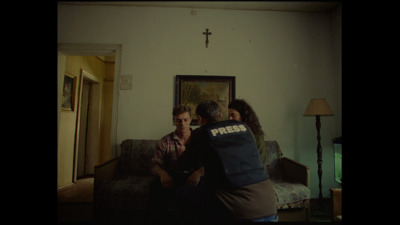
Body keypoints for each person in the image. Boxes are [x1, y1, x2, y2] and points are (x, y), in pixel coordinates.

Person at [178, 100, 278, 223]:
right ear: (221, 115)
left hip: (240, 214)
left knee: (183, 193)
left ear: (200, 119)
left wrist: (182, 151)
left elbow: (184, 165)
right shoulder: (246, 128)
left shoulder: (201, 133)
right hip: (270, 208)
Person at [148, 105, 204, 222]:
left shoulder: (200, 139)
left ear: (190, 120)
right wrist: (163, 174)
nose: (182, 124)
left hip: (194, 177)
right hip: (173, 177)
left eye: (185, 120)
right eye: (178, 120)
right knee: (154, 187)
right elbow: (154, 164)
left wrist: (198, 173)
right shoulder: (165, 141)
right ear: (174, 120)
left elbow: (211, 162)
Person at [228, 99, 268, 168]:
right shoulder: (229, 134)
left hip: (253, 173)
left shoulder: (257, 135)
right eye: (229, 116)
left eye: (233, 115)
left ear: (242, 116)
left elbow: (261, 162)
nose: (230, 119)